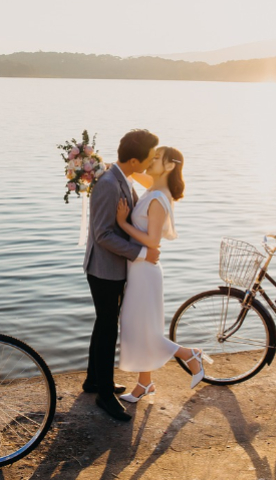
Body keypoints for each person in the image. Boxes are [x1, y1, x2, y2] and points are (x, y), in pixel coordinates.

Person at [115, 146, 212, 403]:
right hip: (139, 269)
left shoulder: (158, 198)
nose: (151, 160)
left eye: (157, 158)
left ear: (170, 166)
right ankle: (144, 384)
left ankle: (189, 354)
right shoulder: (155, 188)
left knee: (143, 329)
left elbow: (153, 242)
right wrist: (107, 165)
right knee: (138, 326)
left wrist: (124, 223)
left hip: (145, 271)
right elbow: (137, 174)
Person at [82, 129, 161, 422]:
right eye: (151, 155)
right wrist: (140, 253)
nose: (152, 160)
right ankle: (104, 394)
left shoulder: (122, 177)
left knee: (104, 324)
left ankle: (93, 380)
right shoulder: (108, 184)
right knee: (108, 328)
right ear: (133, 158)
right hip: (104, 269)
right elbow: (102, 234)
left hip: (114, 268)